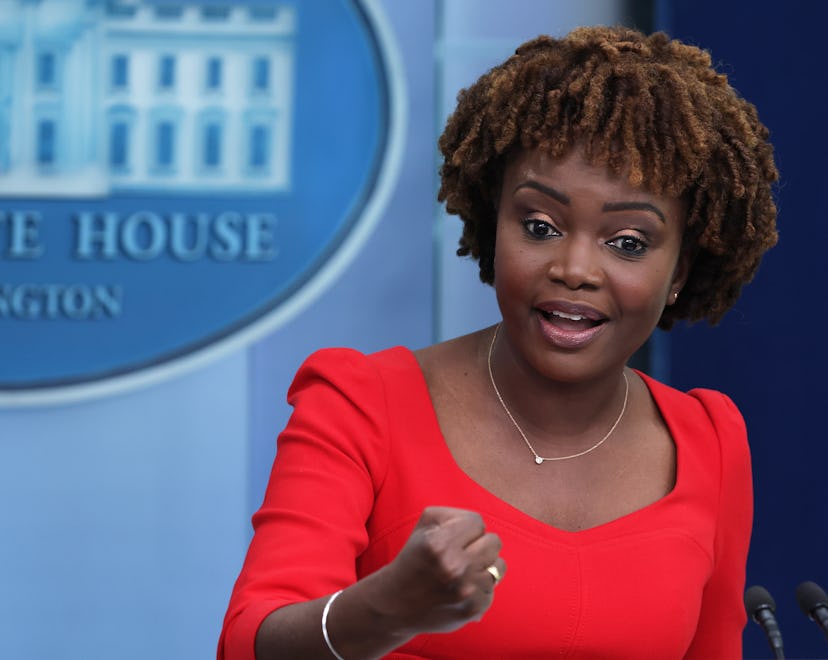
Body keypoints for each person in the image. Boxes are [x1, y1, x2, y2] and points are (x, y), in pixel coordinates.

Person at [218, 25, 778, 659]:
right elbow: (247, 644)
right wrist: (383, 611)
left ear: (679, 272)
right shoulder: (361, 403)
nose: (574, 269)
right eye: (539, 226)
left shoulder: (710, 442)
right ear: (493, 228)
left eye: (627, 242)